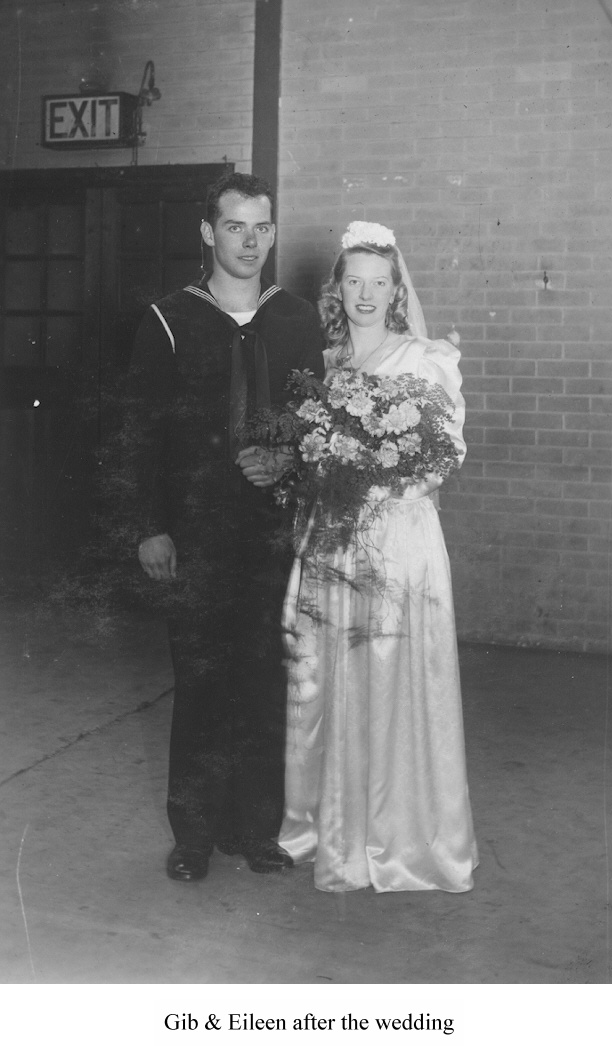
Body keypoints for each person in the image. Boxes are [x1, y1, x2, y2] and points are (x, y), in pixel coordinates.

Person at [124, 172, 324, 881]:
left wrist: (289, 459)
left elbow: (315, 425)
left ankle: (256, 829)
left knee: (265, 680)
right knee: (203, 681)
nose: (249, 242)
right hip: (196, 530)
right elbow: (140, 433)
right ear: (208, 232)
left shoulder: (296, 319)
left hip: (272, 530)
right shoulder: (169, 319)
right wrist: (150, 526)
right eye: (235, 226)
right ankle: (195, 836)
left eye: (261, 227)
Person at [278, 221, 479, 893]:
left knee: (394, 676)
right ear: (337, 289)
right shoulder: (325, 363)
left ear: (397, 290)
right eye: (354, 282)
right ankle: (328, 828)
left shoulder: (424, 358)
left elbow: (447, 452)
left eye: (379, 282)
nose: (366, 295)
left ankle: (399, 838)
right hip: (333, 537)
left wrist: (380, 478)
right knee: (326, 677)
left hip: (396, 540)